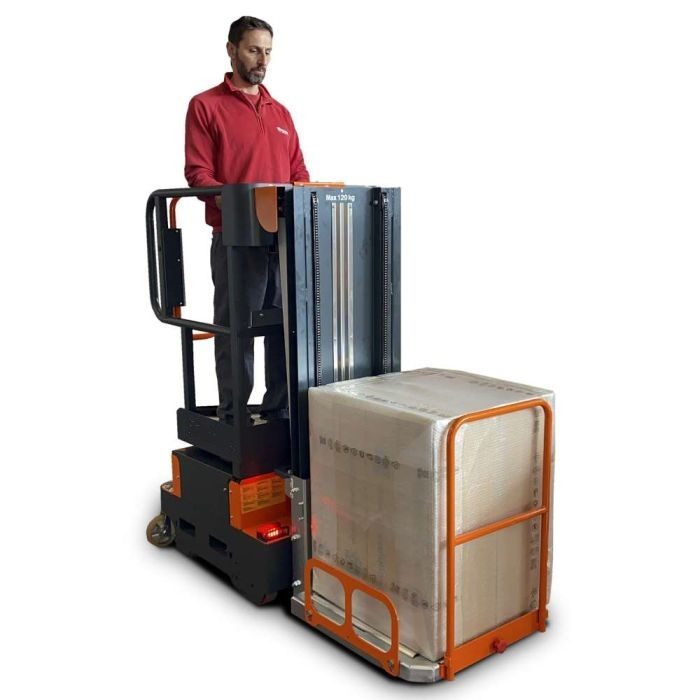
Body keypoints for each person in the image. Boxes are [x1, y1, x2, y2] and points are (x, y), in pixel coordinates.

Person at [184, 16, 309, 424]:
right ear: (232, 50)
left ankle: (278, 414)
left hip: (283, 240)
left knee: (284, 329)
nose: (263, 60)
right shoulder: (206, 106)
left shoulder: (281, 112)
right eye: (254, 50)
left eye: (268, 51)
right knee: (237, 331)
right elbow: (199, 173)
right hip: (236, 239)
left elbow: (299, 171)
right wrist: (239, 201)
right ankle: (235, 417)